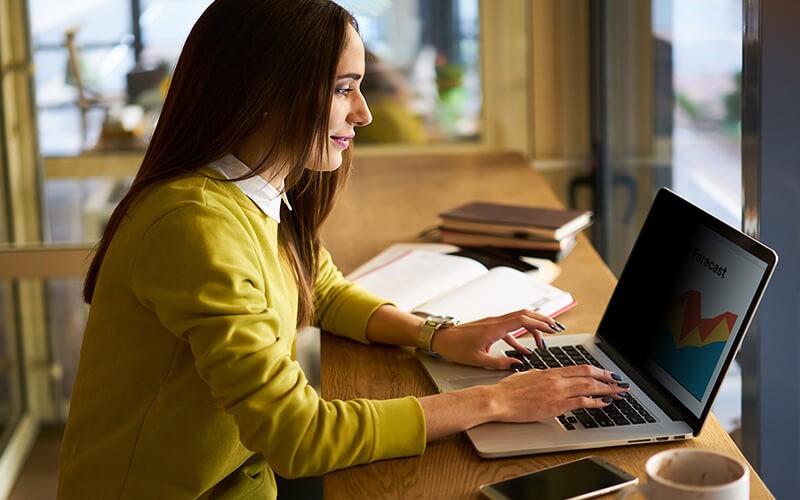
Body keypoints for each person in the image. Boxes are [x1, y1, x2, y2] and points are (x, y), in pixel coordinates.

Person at [57, 1, 628, 498]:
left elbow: (319, 288)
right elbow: (298, 438)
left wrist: (435, 334)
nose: (364, 113)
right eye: (342, 89)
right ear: (264, 91)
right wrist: (495, 403)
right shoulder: (195, 223)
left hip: (240, 478)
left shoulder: (253, 187)